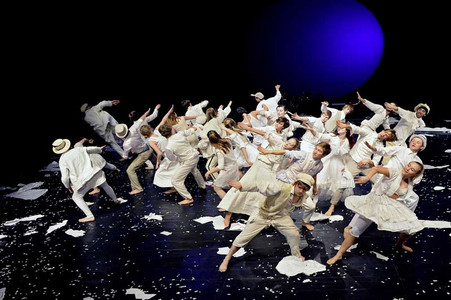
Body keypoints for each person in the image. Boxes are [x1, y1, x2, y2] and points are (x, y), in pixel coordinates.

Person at [327, 162, 425, 265]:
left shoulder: (409, 182)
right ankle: (339, 255)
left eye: (412, 170)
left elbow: (402, 195)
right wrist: (367, 178)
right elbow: (377, 169)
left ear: (415, 174)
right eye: (408, 165)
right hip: (374, 203)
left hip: (390, 206)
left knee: (411, 227)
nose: (408, 168)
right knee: (355, 231)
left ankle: (400, 244)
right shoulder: (394, 172)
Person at [218, 173, 315, 272]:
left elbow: (308, 206)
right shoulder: (282, 187)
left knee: (294, 234)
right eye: (299, 187)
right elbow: (261, 186)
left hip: (281, 217)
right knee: (243, 237)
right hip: (263, 214)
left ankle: (296, 255)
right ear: (295, 184)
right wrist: (243, 186)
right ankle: (227, 258)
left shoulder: (303, 196)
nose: (301, 191)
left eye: (304, 189)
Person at [258, 142, 331, 230]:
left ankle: (305, 222)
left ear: (323, 155)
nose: (315, 151)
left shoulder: (320, 166)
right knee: (277, 202)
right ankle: (266, 220)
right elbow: (285, 152)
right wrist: (267, 152)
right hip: (287, 181)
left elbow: (313, 175)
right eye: (316, 148)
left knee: (310, 207)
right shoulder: (304, 155)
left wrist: (315, 187)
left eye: (319, 151)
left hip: (300, 188)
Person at [52, 138, 124, 223]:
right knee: (105, 185)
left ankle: (89, 216)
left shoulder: (62, 160)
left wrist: (67, 187)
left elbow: (64, 177)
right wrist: (100, 149)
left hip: (83, 181)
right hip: (94, 172)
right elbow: (92, 149)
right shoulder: (78, 149)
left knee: (76, 197)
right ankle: (115, 200)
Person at [160, 123, 206, 205]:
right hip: (195, 156)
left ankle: (188, 198)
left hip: (188, 160)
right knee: (195, 171)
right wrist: (195, 125)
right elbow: (192, 130)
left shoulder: (169, 147)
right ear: (171, 130)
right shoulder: (180, 134)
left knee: (175, 181)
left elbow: (172, 159)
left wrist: (179, 157)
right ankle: (202, 186)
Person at [115, 108, 154, 195]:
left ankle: (138, 188)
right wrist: (147, 111)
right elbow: (141, 118)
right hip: (149, 148)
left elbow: (125, 156)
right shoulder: (133, 128)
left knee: (130, 170)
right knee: (161, 163)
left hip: (143, 154)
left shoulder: (126, 144)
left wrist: (124, 158)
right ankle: (134, 187)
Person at [204, 130, 240, 203]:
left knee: (216, 187)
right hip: (234, 166)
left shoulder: (219, 151)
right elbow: (234, 134)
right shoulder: (227, 141)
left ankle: (227, 204)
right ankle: (237, 202)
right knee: (233, 185)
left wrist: (208, 172)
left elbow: (220, 166)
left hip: (227, 170)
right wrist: (223, 127)